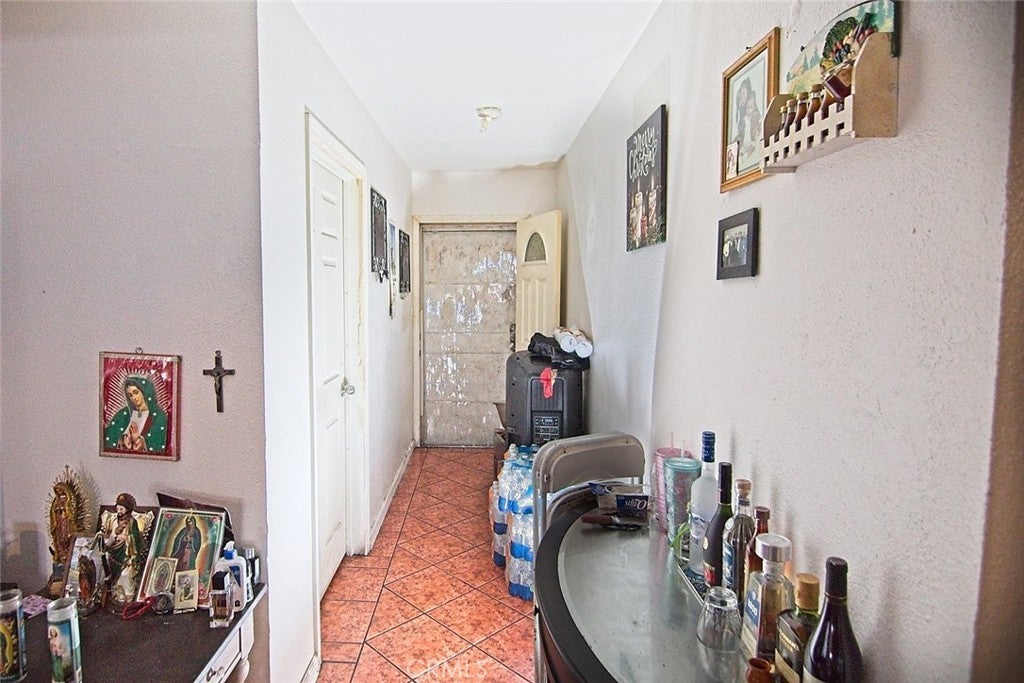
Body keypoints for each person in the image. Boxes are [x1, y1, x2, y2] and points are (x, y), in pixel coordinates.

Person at [103, 375, 168, 453]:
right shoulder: (123, 414)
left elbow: (159, 442)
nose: (133, 398)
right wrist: (124, 440)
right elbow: (111, 437)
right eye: (130, 395)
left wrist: (139, 441)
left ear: (144, 392)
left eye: (136, 392)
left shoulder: (159, 416)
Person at [101, 493, 145, 605]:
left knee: (126, 575)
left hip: (127, 553)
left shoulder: (132, 522)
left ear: (127, 509)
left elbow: (136, 538)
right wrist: (112, 539)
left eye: (121, 509)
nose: (119, 511)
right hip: (115, 553)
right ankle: (119, 595)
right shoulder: (114, 521)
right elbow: (111, 536)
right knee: (116, 577)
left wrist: (126, 538)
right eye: (117, 509)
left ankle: (129, 596)